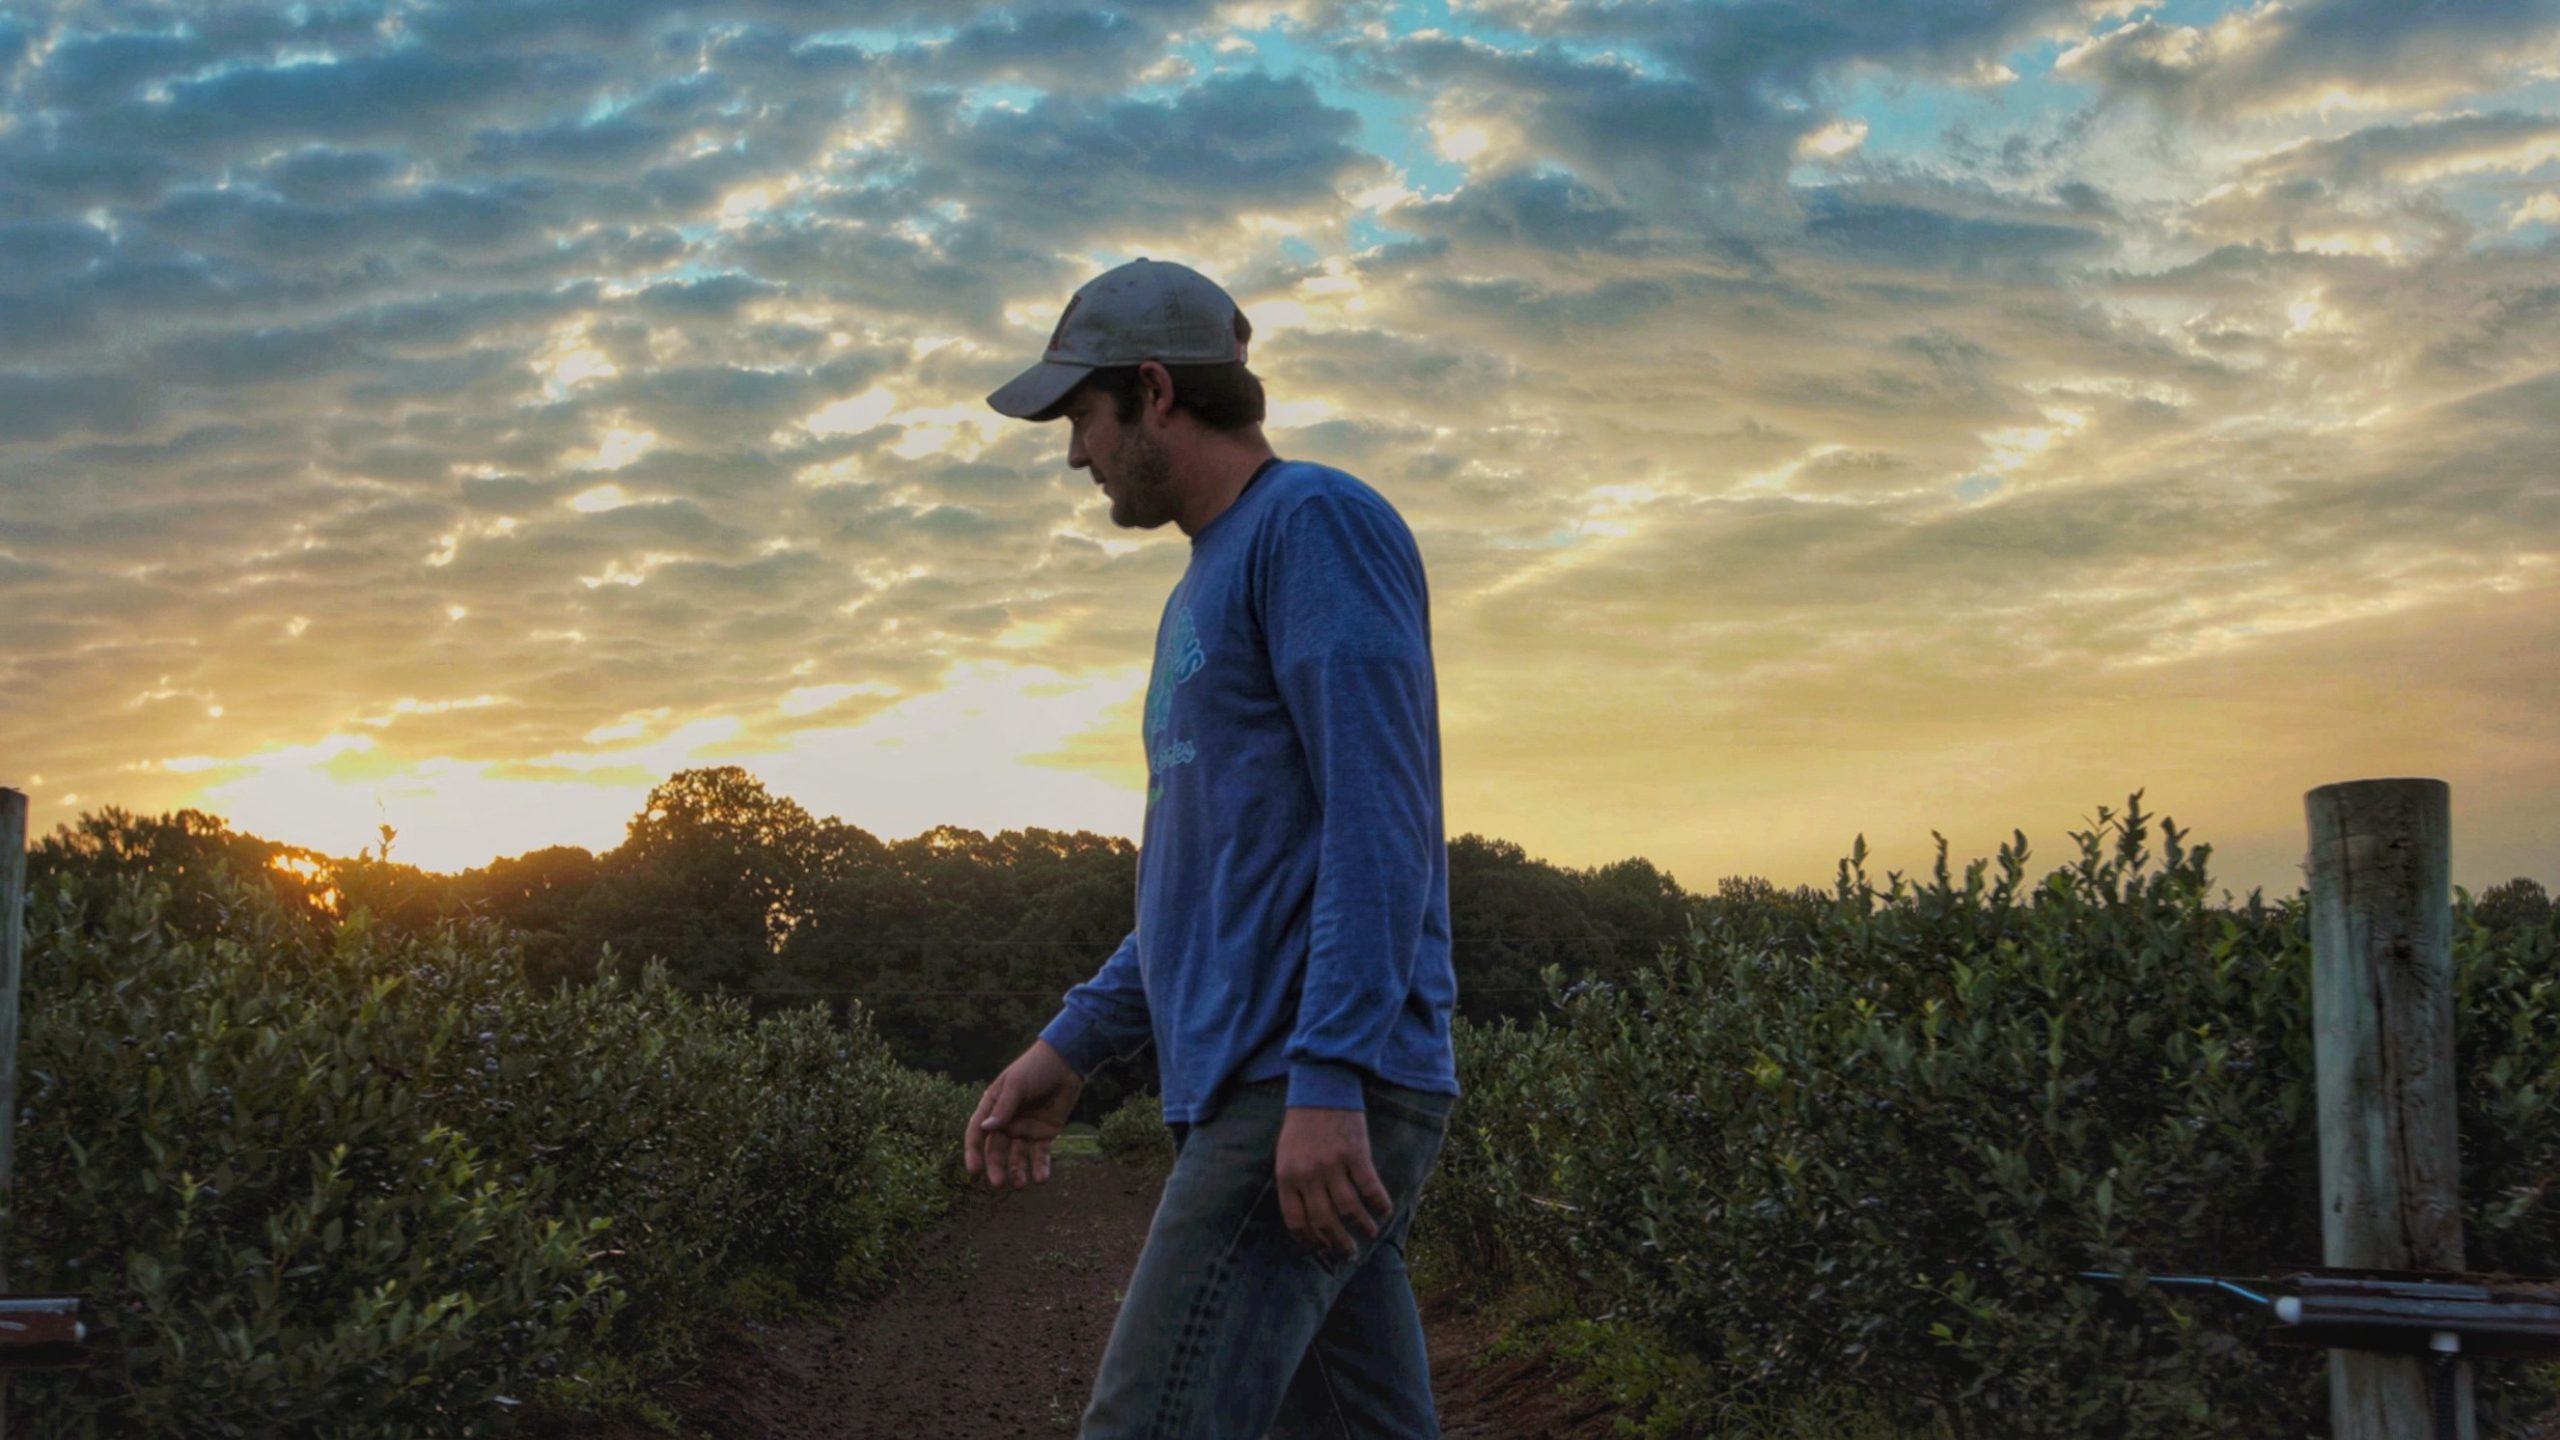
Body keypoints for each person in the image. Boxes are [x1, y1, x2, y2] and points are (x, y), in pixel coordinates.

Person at [967, 257, 1462, 1439]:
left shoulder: (1316, 527)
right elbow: (1213, 880)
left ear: (1152, 392)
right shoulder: (1203, 582)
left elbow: (1380, 816)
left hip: (1295, 1079)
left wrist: (1329, 1072)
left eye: (1082, 417)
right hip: (1266, 1080)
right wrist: (1073, 1042)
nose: (1076, 454)